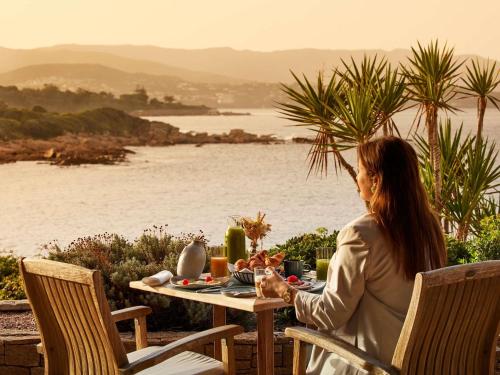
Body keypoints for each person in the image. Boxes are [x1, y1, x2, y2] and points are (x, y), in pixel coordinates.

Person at [260, 136, 446, 374]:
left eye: (359, 171)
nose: (357, 179)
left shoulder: (360, 234)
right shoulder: (428, 228)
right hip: (420, 361)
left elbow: (330, 314)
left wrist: (283, 290)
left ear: (375, 181)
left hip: (373, 363)